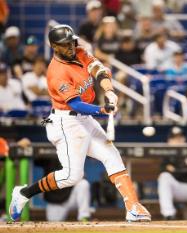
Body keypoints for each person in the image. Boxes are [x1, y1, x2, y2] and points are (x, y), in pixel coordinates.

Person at [8, 24, 151, 222]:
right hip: (66, 122)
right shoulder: (56, 72)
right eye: (65, 44)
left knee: (112, 155)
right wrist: (102, 110)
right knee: (71, 176)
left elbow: (100, 70)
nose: (71, 47)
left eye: (71, 42)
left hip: (85, 119)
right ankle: (24, 193)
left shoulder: (80, 52)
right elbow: (76, 104)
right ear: (54, 46)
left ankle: (133, 207)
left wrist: (109, 91)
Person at [35, 156, 91, 221]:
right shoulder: (50, 154)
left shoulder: (72, 152)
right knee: (53, 225)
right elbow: (36, 160)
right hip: (55, 201)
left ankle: (84, 217)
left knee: (83, 184)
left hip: (71, 197)